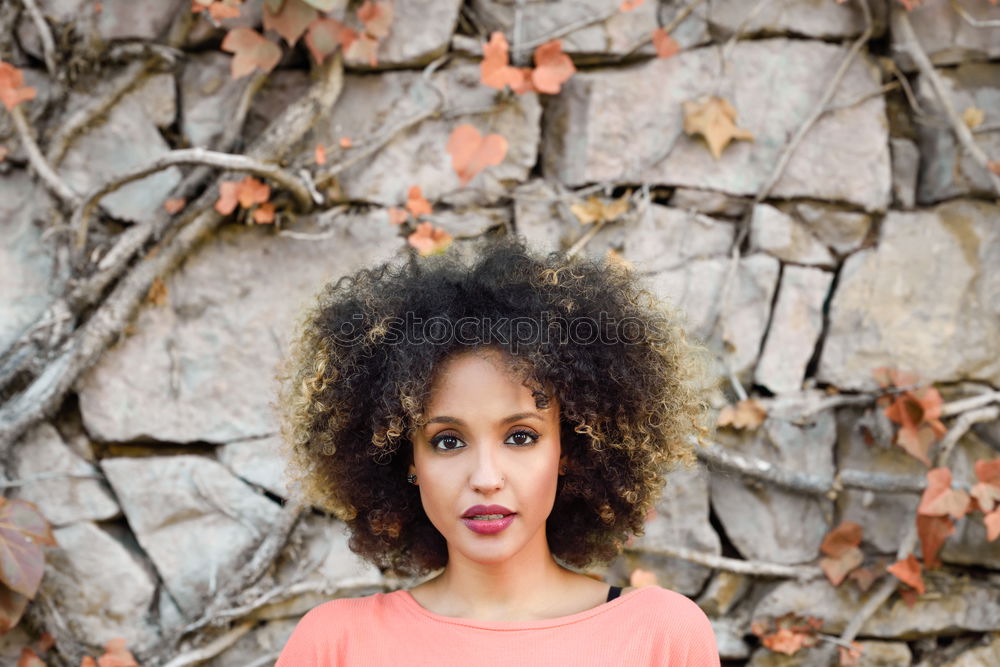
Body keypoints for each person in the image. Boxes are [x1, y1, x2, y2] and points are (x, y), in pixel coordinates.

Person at [274, 234, 721, 665]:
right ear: (408, 459)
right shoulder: (335, 645)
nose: (486, 478)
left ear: (568, 449)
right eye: (448, 441)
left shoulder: (662, 636)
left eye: (521, 437)